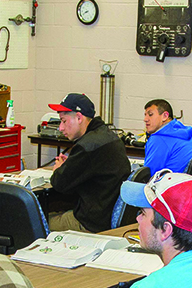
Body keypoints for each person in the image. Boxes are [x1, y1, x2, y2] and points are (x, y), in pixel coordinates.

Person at [46, 92, 132, 232]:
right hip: (106, 214)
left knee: (36, 222)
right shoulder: (108, 136)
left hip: (92, 223)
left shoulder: (87, 146)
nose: (60, 128)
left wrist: (58, 169)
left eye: (64, 121)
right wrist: (71, 164)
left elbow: (59, 183)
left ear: (79, 117)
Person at [141, 98, 192, 175]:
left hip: (172, 181)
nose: (145, 119)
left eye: (150, 115)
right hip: (190, 180)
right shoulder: (185, 133)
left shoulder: (158, 139)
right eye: (145, 115)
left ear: (165, 116)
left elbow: (148, 175)